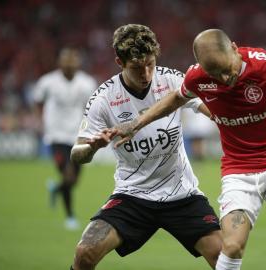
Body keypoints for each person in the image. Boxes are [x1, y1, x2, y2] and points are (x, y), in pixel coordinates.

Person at [110, 29, 266, 270]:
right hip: (238, 171)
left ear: (235, 48)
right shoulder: (197, 77)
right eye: (214, 73)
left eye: (225, 68)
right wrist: (135, 124)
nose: (224, 77)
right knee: (231, 246)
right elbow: (174, 99)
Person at [69, 24, 222, 270]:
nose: (147, 74)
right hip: (133, 196)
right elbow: (77, 155)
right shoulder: (103, 99)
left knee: (223, 257)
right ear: (120, 62)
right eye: (137, 68)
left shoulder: (171, 79)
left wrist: (228, 118)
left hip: (182, 194)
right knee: (85, 252)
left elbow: (213, 111)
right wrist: (94, 147)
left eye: (150, 63)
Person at [33, 48, 97, 230]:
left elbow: (91, 108)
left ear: (78, 65)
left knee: (73, 181)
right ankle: (70, 217)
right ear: (60, 64)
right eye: (66, 65)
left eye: (73, 65)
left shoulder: (87, 83)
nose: (69, 68)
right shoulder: (48, 82)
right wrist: (39, 121)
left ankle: (56, 189)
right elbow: (38, 101)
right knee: (68, 175)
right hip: (55, 135)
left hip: (77, 136)